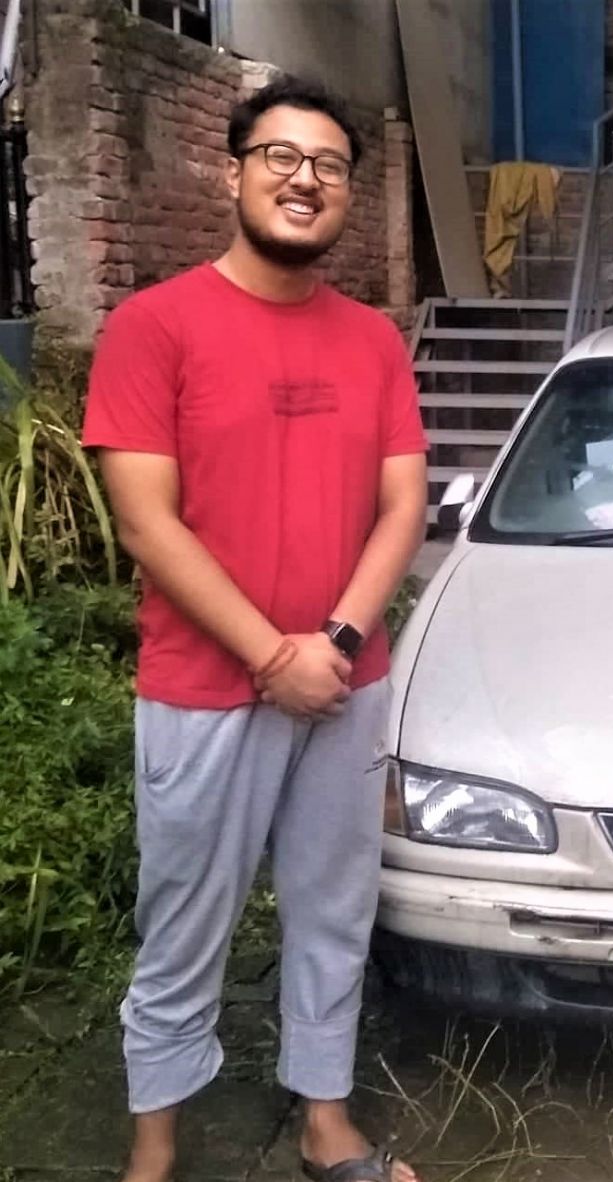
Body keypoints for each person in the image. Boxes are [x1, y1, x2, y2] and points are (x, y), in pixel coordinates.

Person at [82, 75, 429, 1182]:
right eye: (281, 156)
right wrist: (267, 656)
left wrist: (328, 644)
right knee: (185, 917)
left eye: (328, 164)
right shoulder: (154, 327)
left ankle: (324, 1119)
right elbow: (148, 522)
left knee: (335, 909)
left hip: (344, 679)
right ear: (234, 171)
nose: (305, 178)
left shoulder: (374, 340)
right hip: (201, 684)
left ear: (344, 195)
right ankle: (156, 1148)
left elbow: (403, 506)